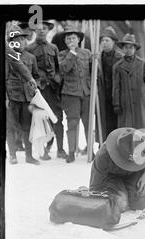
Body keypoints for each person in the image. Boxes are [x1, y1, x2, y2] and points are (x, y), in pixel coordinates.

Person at [89, 127, 145, 213]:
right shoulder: (103, 156)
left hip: (135, 173)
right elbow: (96, 187)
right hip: (111, 177)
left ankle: (127, 194)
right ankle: (121, 194)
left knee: (140, 204)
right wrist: (102, 199)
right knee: (119, 204)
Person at [26, 20, 67, 160]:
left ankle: (60, 149)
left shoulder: (54, 48)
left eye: (44, 28)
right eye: (38, 28)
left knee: (57, 118)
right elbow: (27, 70)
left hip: (53, 90)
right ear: (34, 31)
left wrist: (57, 79)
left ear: (48, 31)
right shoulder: (29, 48)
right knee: (40, 119)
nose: (41, 30)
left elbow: (57, 68)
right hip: (38, 91)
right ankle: (43, 151)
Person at [5, 25, 40, 165]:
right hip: (12, 97)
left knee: (27, 127)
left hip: (27, 98)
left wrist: (34, 88)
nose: (20, 42)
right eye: (16, 39)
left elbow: (36, 76)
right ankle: (12, 155)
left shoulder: (31, 57)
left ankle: (29, 156)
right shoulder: (7, 56)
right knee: (11, 127)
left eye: (22, 39)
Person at [58, 24, 92, 163]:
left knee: (88, 123)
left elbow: (94, 71)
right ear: (65, 41)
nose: (71, 40)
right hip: (70, 94)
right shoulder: (62, 54)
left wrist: (96, 59)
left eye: (73, 38)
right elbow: (64, 69)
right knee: (72, 123)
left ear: (78, 39)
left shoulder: (87, 53)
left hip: (86, 92)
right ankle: (71, 151)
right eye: (68, 38)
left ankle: (91, 150)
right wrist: (71, 53)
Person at [112, 34, 145, 133]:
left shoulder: (142, 63)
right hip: (125, 102)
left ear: (135, 49)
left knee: (143, 127)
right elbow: (116, 86)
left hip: (140, 100)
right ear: (122, 49)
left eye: (131, 47)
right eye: (126, 47)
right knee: (127, 129)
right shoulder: (118, 66)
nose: (128, 50)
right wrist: (116, 104)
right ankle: (128, 147)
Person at [97, 26, 124, 140]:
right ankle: (103, 144)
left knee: (117, 123)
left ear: (113, 42)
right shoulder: (97, 58)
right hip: (103, 95)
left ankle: (117, 145)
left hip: (118, 96)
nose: (104, 43)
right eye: (102, 41)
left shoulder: (121, 57)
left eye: (107, 40)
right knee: (104, 122)